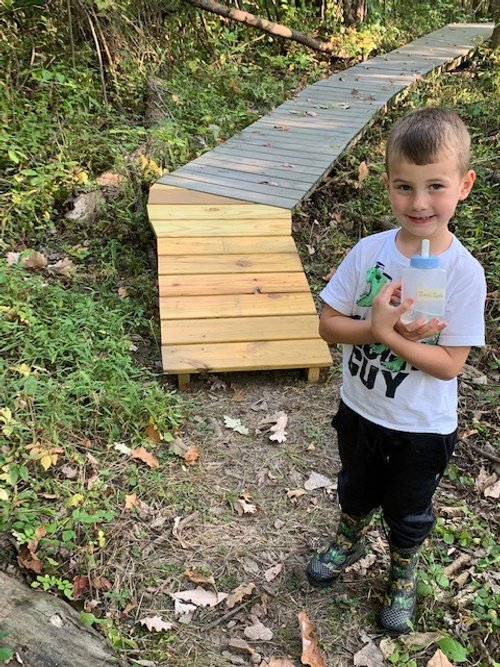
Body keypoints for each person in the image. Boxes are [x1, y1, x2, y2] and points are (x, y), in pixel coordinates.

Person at [306, 107, 486, 636]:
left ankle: (403, 569)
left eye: (435, 186)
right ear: (387, 185)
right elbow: (328, 324)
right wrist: (375, 328)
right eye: (404, 187)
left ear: (464, 185)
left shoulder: (464, 274)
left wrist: (389, 336)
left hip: (421, 427)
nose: (420, 202)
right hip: (362, 408)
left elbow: (451, 365)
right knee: (355, 486)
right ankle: (349, 535)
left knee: (409, 509)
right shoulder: (370, 252)